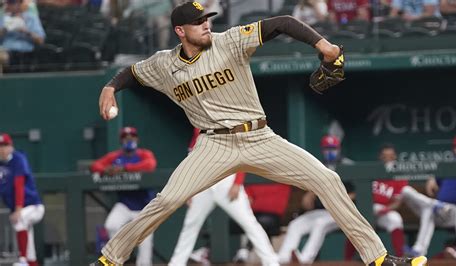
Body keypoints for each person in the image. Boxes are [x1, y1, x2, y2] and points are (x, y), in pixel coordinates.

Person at [92, 2, 427, 265]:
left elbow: (282, 22)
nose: (206, 24)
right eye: (198, 22)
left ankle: (378, 258)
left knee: (327, 179)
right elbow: (132, 73)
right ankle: (111, 258)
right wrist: (110, 88)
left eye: (207, 19)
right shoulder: (164, 64)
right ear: (180, 30)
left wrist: (322, 45)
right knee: (167, 199)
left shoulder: (229, 41)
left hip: (259, 137)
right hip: (213, 144)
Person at [168, 128, 279, 266]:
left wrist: (237, 182)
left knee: (249, 223)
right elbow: (191, 159)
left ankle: (272, 262)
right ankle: (176, 263)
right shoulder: (198, 126)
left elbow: (240, 154)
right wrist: (190, 190)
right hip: (203, 184)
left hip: (226, 182)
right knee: (190, 225)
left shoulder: (226, 121)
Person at [278, 135, 355, 264]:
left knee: (320, 224)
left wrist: (341, 199)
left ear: (339, 148)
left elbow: (358, 192)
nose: (330, 151)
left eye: (333, 148)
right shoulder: (318, 165)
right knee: (295, 225)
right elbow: (307, 202)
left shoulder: (348, 165)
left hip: (341, 212)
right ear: (322, 149)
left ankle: (305, 259)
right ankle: (283, 258)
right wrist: (310, 193)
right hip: (321, 211)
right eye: (327, 148)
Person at [90, 127, 157, 266]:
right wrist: (105, 169)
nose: (129, 139)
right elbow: (95, 165)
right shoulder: (115, 156)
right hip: (125, 204)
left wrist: (125, 168)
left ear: (137, 139)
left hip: (144, 206)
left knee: (145, 250)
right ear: (121, 140)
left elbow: (150, 165)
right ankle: (117, 258)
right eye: (126, 137)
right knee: (111, 225)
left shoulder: (143, 154)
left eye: (132, 136)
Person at [402, 134, 456, 261]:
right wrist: (432, 178)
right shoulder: (447, 166)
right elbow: (435, 182)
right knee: (417, 200)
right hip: (443, 211)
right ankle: (418, 251)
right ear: (455, 149)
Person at [345, 143, 408, 260]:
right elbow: (360, 192)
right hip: (368, 208)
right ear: (380, 157)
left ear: (395, 157)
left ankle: (400, 257)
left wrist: (387, 209)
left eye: (390, 156)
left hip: (385, 211)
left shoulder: (399, 176)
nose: (387, 159)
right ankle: (347, 260)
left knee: (396, 219)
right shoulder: (372, 172)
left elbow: (398, 202)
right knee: (356, 222)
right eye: (385, 156)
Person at [0, 133, 44, 266]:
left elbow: (19, 185)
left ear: (11, 146)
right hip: (19, 209)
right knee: (30, 250)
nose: (2, 149)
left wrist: (18, 209)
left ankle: (22, 260)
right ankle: (28, 260)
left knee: (19, 220)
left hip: (33, 206)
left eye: (5, 145)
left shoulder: (18, 159)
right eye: (0, 146)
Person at [0, 0, 45, 66]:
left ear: (20, 3)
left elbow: (41, 40)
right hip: (6, 51)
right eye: (7, 2)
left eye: (12, 2)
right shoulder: (3, 18)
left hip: (26, 53)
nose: (8, 5)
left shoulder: (31, 18)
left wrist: (26, 31)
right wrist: (5, 29)